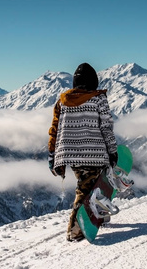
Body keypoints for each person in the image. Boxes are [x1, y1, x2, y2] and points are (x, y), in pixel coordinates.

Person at [48, 62, 118, 242]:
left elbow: (54, 130)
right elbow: (106, 128)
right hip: (94, 153)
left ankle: (99, 216)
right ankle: (75, 230)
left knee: (88, 186)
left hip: (70, 154)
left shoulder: (62, 101)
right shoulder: (98, 99)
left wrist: (52, 155)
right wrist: (112, 151)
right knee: (87, 190)